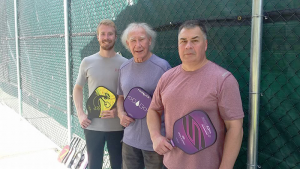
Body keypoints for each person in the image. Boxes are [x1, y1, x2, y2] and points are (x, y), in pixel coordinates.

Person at [147, 20, 244, 169]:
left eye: (195, 40)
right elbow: (153, 109)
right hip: (169, 164)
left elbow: (235, 128)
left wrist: (226, 167)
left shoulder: (224, 80)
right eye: (183, 41)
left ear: (205, 45)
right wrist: (155, 137)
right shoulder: (167, 77)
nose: (188, 46)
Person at [73, 19, 127, 169]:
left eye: (110, 34)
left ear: (116, 37)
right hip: (92, 126)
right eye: (102, 34)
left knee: (118, 165)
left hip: (117, 127)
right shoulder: (87, 62)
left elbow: (129, 95)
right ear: (97, 37)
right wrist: (80, 113)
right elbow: (77, 88)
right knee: (94, 165)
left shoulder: (125, 63)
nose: (106, 37)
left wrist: (119, 111)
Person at [117, 22, 171, 169]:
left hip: (155, 143)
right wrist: (121, 114)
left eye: (142, 39)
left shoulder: (163, 67)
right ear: (127, 44)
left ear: (150, 41)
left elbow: (171, 105)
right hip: (129, 140)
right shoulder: (124, 68)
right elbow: (120, 97)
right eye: (133, 41)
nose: (138, 45)